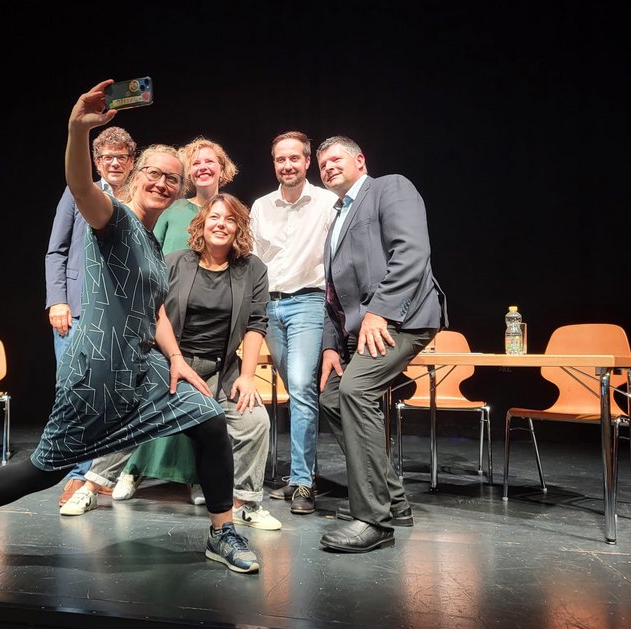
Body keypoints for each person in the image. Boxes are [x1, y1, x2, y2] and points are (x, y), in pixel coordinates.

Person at [0, 80, 260, 574]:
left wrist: (178, 360)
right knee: (46, 469)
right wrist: (78, 128)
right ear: (137, 175)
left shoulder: (150, 242)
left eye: (174, 180)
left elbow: (154, 311)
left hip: (141, 370)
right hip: (96, 372)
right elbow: (80, 185)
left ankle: (222, 531)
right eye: (157, 174)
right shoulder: (113, 217)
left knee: (209, 423)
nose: (165, 184)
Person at [61, 193, 282, 531]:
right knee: (131, 411)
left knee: (254, 422)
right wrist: (165, 359)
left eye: (230, 219)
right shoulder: (177, 261)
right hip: (170, 361)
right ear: (202, 223)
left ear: (239, 227)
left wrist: (248, 375)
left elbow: (256, 324)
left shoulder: (252, 269)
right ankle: (93, 485)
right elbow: (154, 310)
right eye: (215, 218)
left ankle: (246, 502)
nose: (221, 225)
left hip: (221, 369)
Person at [315, 135, 447, 553]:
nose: (329, 167)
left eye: (336, 159)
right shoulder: (337, 216)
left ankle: (373, 519)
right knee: (334, 396)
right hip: (365, 326)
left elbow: (412, 252)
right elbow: (335, 291)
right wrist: (332, 344)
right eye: (323, 164)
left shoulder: (390, 187)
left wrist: (383, 310)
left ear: (360, 160)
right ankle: (393, 501)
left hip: (403, 317)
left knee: (356, 391)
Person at [114, 137, 239, 505]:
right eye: (195, 163)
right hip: (164, 311)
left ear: (222, 169)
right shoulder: (171, 207)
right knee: (157, 391)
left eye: (209, 162)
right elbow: (148, 251)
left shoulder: (228, 210)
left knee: (197, 395)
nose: (202, 168)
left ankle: (200, 477)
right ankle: (131, 470)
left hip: (204, 323)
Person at [44, 126, 136, 506]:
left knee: (115, 396)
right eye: (106, 157)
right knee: (74, 392)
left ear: (132, 162)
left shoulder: (139, 198)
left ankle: (105, 473)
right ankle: (77, 473)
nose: (114, 162)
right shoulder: (78, 191)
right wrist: (57, 300)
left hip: (122, 314)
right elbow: (56, 250)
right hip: (77, 309)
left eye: (121, 156)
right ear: (96, 162)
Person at [249, 131, 337, 515]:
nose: (287, 165)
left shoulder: (327, 203)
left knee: (302, 387)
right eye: (280, 160)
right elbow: (253, 260)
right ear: (275, 164)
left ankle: (302, 483)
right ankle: (305, 474)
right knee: (296, 389)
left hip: (308, 302)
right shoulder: (261, 206)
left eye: (294, 159)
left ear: (306, 162)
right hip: (269, 307)